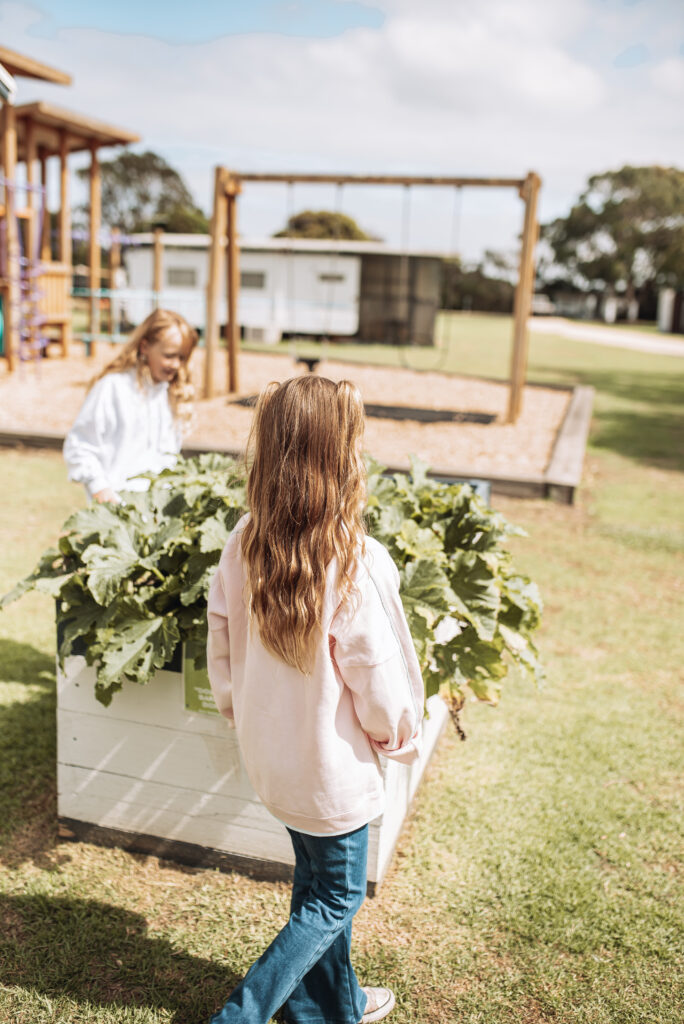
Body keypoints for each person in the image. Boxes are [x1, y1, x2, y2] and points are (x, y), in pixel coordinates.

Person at [206, 375, 424, 1024]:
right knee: (334, 897)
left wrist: (234, 707)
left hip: (275, 758)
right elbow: (375, 674)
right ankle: (240, 1015)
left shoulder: (244, 539)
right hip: (332, 774)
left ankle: (332, 1007)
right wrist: (395, 733)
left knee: (315, 885)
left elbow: (219, 635)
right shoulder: (347, 557)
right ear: (340, 456)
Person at [63, 308, 197, 502]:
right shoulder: (113, 388)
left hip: (157, 513)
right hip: (117, 511)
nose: (176, 364)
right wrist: (99, 488)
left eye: (182, 358)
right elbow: (80, 446)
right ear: (144, 347)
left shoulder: (170, 394)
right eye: (169, 355)